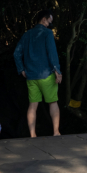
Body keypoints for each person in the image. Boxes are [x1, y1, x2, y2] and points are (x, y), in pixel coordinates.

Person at [14, 9, 62, 137]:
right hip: (46, 75)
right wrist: (57, 71)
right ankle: (56, 132)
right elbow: (52, 54)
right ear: (43, 19)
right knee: (53, 103)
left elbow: (17, 53)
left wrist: (21, 69)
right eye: (49, 21)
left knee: (33, 105)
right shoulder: (47, 33)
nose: (49, 24)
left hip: (31, 76)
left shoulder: (27, 34)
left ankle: (32, 134)